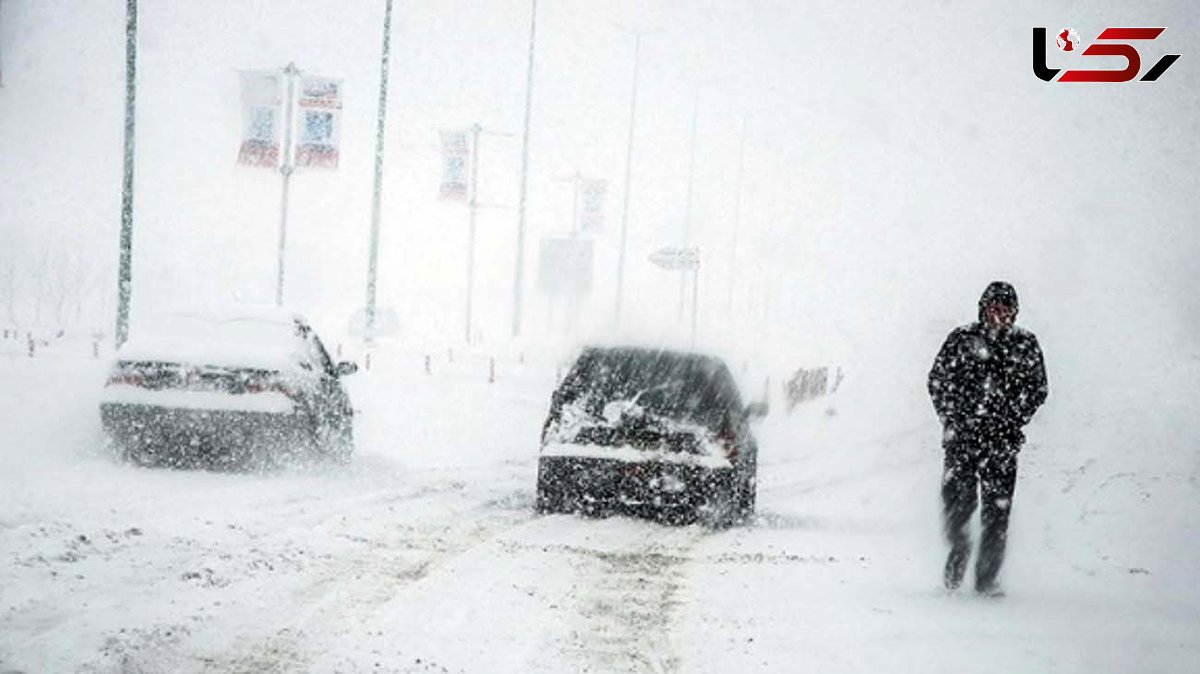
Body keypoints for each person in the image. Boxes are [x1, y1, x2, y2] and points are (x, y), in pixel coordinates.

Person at [928, 281, 1048, 595]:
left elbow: (1038, 389)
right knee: (956, 508)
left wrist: (1014, 420)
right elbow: (937, 380)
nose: (1000, 313)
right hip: (962, 442)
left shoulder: (1025, 345)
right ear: (983, 308)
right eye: (994, 306)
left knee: (997, 516)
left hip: (1002, 444)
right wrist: (952, 418)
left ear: (1014, 312)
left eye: (1006, 308)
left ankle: (986, 581)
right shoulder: (962, 340)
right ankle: (958, 555)